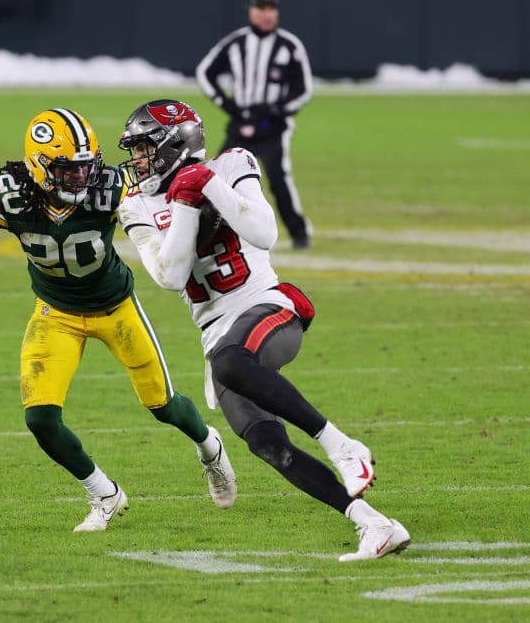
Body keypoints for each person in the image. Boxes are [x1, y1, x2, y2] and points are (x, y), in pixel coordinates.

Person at [0, 107, 236, 532]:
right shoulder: (10, 195)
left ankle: (210, 447)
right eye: (68, 171)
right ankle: (104, 494)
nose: (82, 179)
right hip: (55, 313)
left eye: (86, 168)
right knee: (40, 418)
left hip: (115, 308)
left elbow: (160, 233)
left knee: (163, 406)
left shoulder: (111, 188)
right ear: (39, 168)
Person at [116, 98, 410, 561]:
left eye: (144, 148)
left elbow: (264, 233)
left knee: (233, 362)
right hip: (216, 332)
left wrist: (208, 183)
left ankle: (343, 444)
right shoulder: (136, 205)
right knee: (265, 442)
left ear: (175, 144)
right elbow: (170, 276)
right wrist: (187, 204)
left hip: (266, 308)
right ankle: (372, 524)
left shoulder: (232, 164)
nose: (137, 159)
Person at [196, 0, 313, 250]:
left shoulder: (289, 46)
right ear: (251, 10)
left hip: (273, 129)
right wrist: (227, 105)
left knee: (278, 179)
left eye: (271, 9)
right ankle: (204, 234)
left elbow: (304, 90)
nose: (266, 15)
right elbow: (205, 72)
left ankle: (299, 234)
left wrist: (275, 109)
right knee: (216, 179)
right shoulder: (236, 43)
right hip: (240, 126)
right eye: (261, 9)